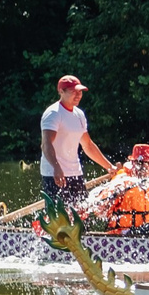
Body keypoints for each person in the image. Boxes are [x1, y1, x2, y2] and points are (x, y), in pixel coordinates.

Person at [38, 75, 116, 213]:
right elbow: (46, 144)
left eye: (80, 92)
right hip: (54, 174)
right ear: (61, 91)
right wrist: (56, 168)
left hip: (75, 173)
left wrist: (109, 167)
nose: (78, 95)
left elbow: (88, 145)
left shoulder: (79, 114)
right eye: (74, 92)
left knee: (82, 216)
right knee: (60, 219)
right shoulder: (53, 114)